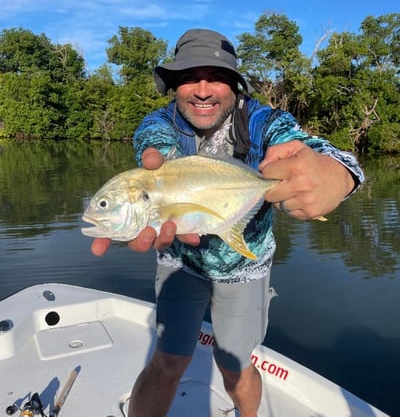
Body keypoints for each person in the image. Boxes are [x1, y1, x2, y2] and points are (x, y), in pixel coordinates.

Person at [91, 28, 364, 417]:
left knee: (236, 368)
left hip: (246, 266)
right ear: (174, 87)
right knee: (167, 363)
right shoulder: (159, 123)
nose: (203, 90)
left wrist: (338, 174)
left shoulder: (260, 121)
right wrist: (161, 171)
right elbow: (155, 150)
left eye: (216, 77)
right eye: (189, 77)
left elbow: (308, 148)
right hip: (181, 263)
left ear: (235, 85)